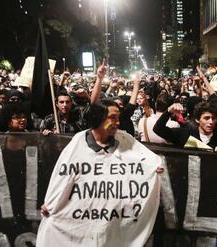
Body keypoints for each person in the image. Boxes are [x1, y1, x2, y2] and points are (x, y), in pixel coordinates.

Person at [37, 98, 164, 246]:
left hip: (112, 221)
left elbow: (148, 160)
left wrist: (154, 168)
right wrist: (51, 203)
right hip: (83, 221)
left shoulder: (125, 140)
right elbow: (63, 176)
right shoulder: (78, 142)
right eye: (112, 118)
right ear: (98, 118)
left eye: (118, 118)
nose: (117, 122)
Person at [153, 101, 217, 152]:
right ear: (197, 120)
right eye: (206, 118)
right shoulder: (184, 134)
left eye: (213, 118)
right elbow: (158, 129)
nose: (211, 122)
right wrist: (169, 111)